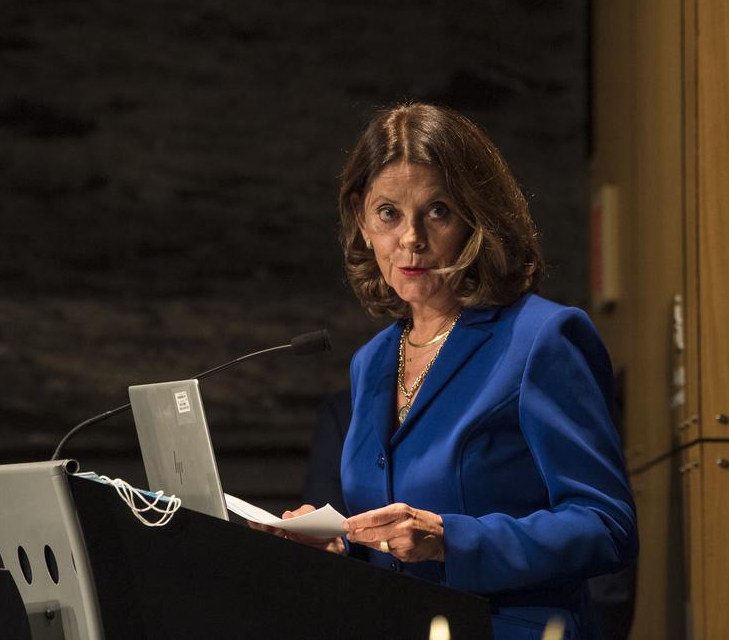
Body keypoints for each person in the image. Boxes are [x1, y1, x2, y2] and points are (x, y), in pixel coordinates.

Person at [272, 103, 637, 640]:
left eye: (437, 210)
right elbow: (393, 539)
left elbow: (607, 527)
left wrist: (452, 539)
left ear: (476, 217)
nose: (411, 239)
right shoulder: (372, 360)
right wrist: (338, 543)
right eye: (388, 213)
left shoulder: (541, 338)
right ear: (361, 220)